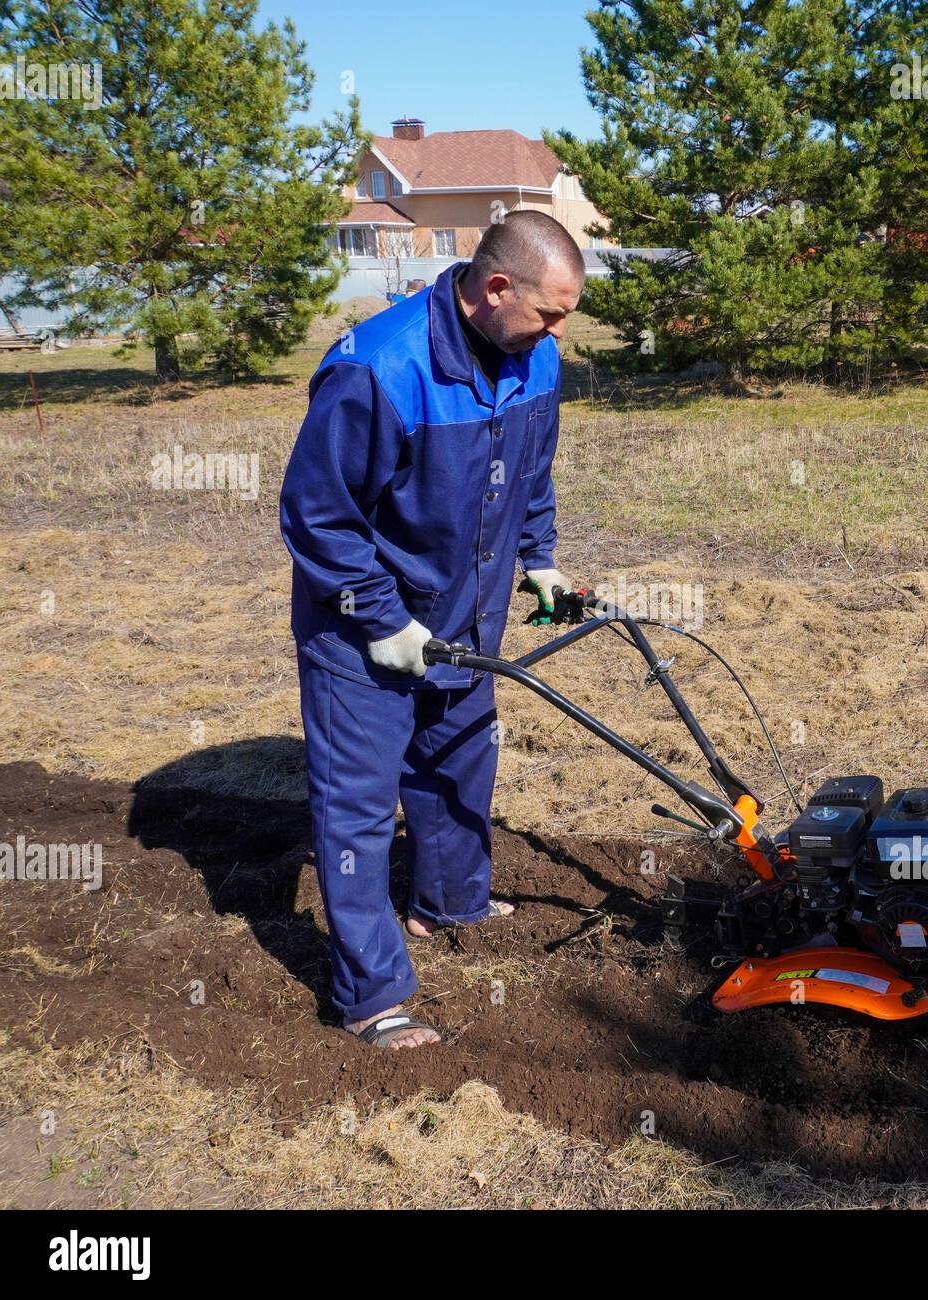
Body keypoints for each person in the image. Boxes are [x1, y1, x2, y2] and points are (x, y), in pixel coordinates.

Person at [280, 211, 585, 1049]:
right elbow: (317, 518)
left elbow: (530, 472)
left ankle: (450, 900)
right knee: (359, 809)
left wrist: (542, 560)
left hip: (467, 611)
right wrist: (381, 622)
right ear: (497, 288)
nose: (561, 331)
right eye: (552, 312)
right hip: (360, 630)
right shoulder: (379, 370)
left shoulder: (536, 354)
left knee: (459, 756)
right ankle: (372, 996)